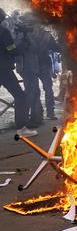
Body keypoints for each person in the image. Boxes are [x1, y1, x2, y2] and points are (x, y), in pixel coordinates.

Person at [0, 9, 34, 137]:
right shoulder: (3, 32)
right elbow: (12, 51)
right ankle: (21, 129)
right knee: (20, 97)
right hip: (4, 71)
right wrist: (24, 43)